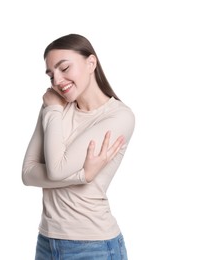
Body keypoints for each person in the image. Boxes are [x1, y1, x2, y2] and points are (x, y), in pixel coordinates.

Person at [22, 33, 135, 260]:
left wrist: (53, 110)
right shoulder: (54, 105)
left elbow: (56, 168)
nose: (57, 80)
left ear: (91, 63)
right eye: (50, 74)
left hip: (93, 246)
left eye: (64, 68)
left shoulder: (119, 116)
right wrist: (83, 175)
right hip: (46, 241)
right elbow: (27, 174)